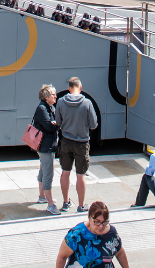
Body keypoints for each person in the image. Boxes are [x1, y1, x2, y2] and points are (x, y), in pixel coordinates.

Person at [57, 77, 98, 213]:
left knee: (65, 172)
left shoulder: (61, 102)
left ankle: (65, 202)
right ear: (80, 87)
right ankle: (81, 205)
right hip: (82, 143)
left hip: (66, 141)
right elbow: (93, 125)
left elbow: (58, 122)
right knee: (80, 175)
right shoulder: (87, 103)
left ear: (69, 88)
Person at [55, 201, 129, 268]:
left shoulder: (111, 233)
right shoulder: (76, 235)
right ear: (89, 218)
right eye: (97, 222)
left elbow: (120, 253)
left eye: (104, 222)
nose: (101, 226)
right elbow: (62, 257)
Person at [34, 84, 61, 215]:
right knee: (48, 174)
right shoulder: (42, 109)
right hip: (45, 146)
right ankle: (50, 204)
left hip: (47, 145)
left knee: (43, 170)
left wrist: (55, 123)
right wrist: (57, 124)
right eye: (53, 94)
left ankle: (42, 197)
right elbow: (50, 127)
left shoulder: (49, 107)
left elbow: (53, 123)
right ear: (46, 96)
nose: (55, 96)